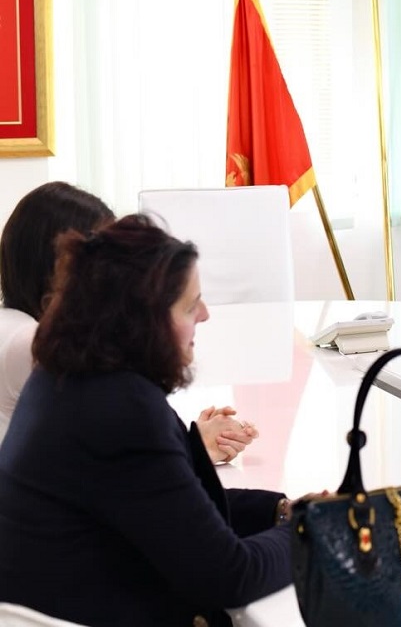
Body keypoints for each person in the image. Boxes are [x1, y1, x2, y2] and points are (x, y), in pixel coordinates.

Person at [0, 215, 292, 625]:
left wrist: (277, 511)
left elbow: (171, 504)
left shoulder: (66, 375)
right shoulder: (121, 409)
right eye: (190, 305)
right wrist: (308, 531)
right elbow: (230, 577)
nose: (205, 314)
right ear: (144, 321)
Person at [0, 182, 255, 462]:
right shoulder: (34, 343)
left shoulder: (14, 323)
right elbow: (121, 448)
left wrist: (190, 440)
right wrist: (197, 446)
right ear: (63, 263)